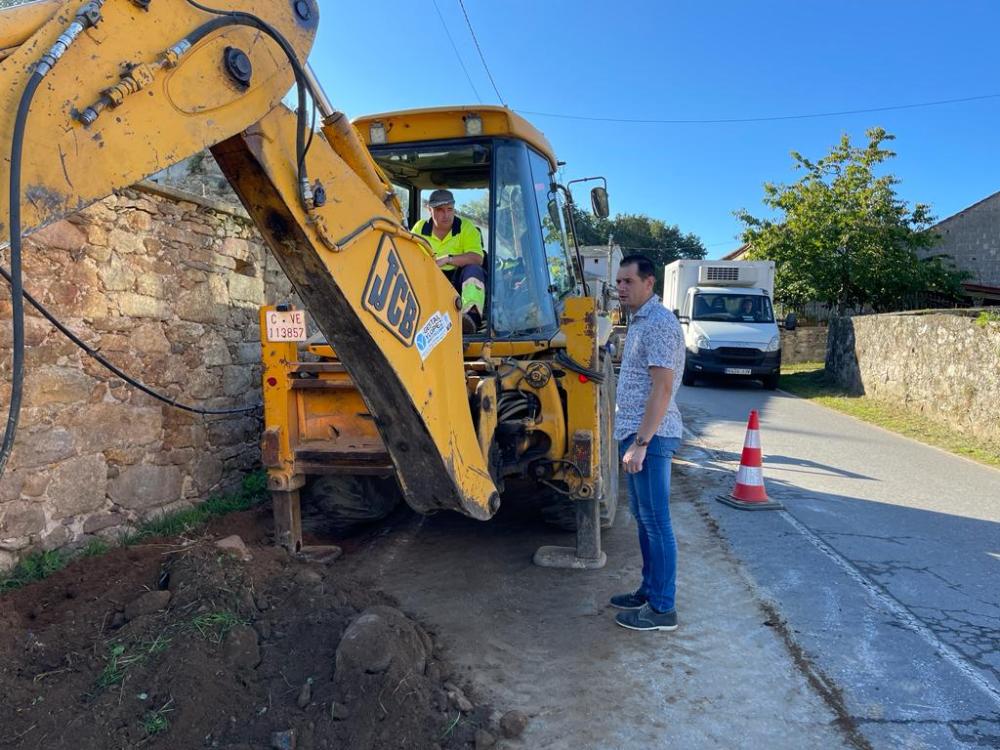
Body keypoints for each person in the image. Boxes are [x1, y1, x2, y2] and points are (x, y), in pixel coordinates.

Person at [610, 254, 686, 632]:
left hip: (651, 439)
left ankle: (662, 609)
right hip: (637, 435)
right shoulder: (639, 321)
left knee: (657, 522)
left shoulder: (658, 323)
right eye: (619, 281)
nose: (621, 287)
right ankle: (649, 590)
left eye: (628, 281)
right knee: (644, 520)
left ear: (649, 283)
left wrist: (641, 442)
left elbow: (663, 387)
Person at [412, 189, 486, 334]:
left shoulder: (466, 228)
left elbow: (477, 258)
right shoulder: (419, 228)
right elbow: (410, 257)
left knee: (473, 270)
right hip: (432, 278)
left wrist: (448, 259)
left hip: (459, 278)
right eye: (440, 210)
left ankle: (470, 319)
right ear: (429, 209)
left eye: (449, 209)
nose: (446, 215)